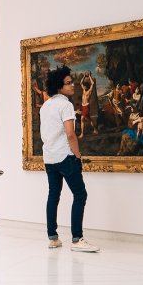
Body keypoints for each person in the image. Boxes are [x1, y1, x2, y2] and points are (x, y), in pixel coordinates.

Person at [40, 66, 99, 252]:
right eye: (68, 83)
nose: (73, 85)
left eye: (72, 81)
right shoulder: (65, 105)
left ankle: (53, 238)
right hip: (65, 156)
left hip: (49, 158)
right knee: (80, 195)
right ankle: (77, 239)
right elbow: (71, 134)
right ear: (59, 86)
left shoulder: (46, 106)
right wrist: (78, 155)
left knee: (53, 195)